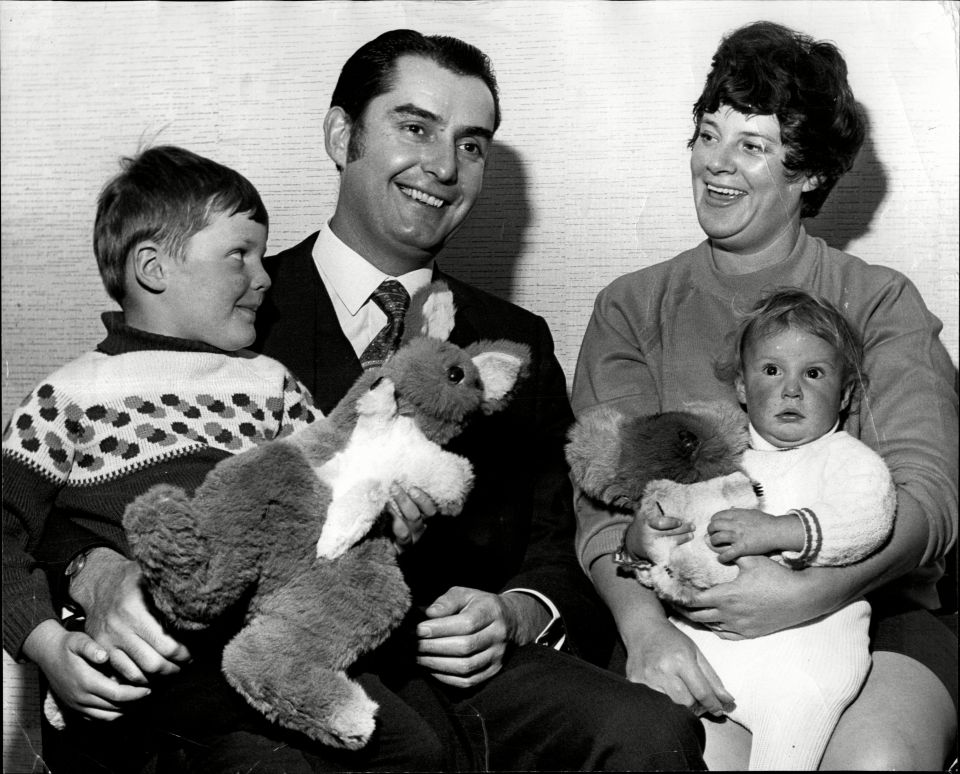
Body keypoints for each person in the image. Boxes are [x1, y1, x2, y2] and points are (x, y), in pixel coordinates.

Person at [25, 30, 707, 773]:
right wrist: (92, 571)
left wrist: (515, 611)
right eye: (415, 127)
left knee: (647, 731)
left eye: (472, 145)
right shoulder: (223, 310)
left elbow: (558, 534)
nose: (444, 167)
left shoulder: (513, 342)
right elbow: (80, 488)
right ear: (341, 134)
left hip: (459, 672)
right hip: (266, 668)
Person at [571, 20, 957, 771]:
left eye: (751, 147)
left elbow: (930, 498)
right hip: (689, 617)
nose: (715, 164)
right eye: (708, 135)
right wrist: (648, 634)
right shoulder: (632, 305)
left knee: (874, 765)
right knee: (692, 759)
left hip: (880, 613)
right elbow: (601, 510)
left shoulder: (877, 300)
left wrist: (808, 593)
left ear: (807, 174)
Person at [1, 145, 321, 771]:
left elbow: (333, 483)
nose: (264, 277)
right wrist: (44, 643)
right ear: (153, 267)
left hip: (272, 652)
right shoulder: (68, 396)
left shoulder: (273, 384)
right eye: (239, 255)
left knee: (409, 741)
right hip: (142, 686)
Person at [617, 288, 895, 769]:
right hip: (711, 651)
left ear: (845, 393)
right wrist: (642, 541)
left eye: (813, 373)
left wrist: (780, 530)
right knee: (648, 726)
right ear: (743, 388)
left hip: (807, 658)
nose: (792, 390)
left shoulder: (847, 459)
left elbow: (869, 518)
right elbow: (671, 522)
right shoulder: (722, 458)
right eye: (772, 371)